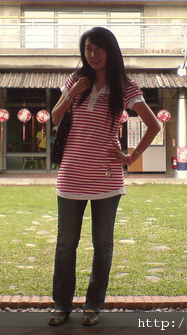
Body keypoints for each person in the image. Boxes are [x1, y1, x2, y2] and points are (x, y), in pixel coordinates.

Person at [47, 27, 161, 326]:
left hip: (107, 178)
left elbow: (153, 125)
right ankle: (61, 304)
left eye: (98, 49)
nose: (93, 55)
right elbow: (55, 118)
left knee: (103, 244)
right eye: (87, 49)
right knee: (65, 244)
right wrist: (72, 94)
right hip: (71, 174)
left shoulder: (125, 86)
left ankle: (93, 304)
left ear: (110, 51)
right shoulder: (75, 81)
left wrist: (131, 157)